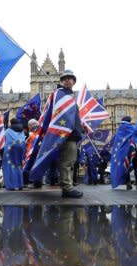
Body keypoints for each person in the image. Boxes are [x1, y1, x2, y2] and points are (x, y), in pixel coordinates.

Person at [58, 70, 84, 198]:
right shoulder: (60, 95)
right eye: (65, 78)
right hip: (66, 134)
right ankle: (67, 188)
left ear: (74, 81)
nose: (68, 80)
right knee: (67, 162)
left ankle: (67, 187)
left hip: (73, 134)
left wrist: (81, 128)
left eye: (70, 78)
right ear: (61, 81)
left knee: (71, 161)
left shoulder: (70, 96)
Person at [2, 118, 26, 190]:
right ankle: (20, 184)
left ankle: (11, 185)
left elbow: (4, 140)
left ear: (11, 123)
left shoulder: (8, 131)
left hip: (10, 149)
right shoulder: (21, 131)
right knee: (18, 166)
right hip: (20, 148)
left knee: (9, 166)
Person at [23, 119, 41, 188]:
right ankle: (37, 183)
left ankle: (26, 183)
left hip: (32, 152)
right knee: (37, 167)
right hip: (36, 152)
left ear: (31, 125)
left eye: (29, 125)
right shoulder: (39, 132)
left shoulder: (32, 134)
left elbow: (27, 143)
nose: (28, 127)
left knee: (27, 168)